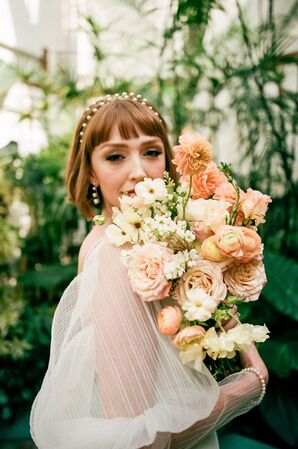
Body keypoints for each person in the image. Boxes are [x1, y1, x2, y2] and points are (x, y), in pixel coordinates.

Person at [30, 92, 268, 449]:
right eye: (115, 156)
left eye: (152, 152)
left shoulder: (147, 241)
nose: (139, 171)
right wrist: (252, 384)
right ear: (91, 172)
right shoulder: (113, 254)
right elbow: (137, 438)